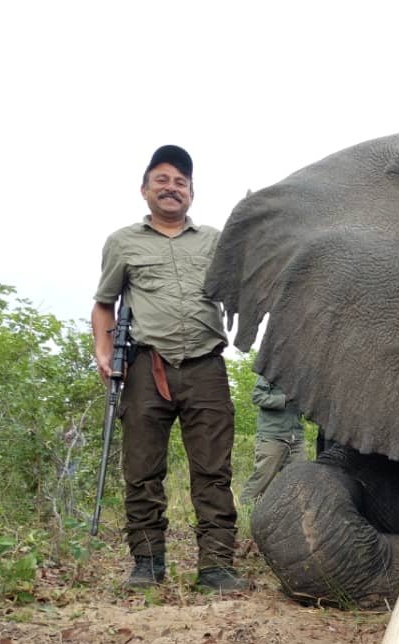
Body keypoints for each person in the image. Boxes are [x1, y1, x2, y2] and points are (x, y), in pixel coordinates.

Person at [92, 145, 246, 592]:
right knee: (142, 470)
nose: (171, 188)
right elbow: (104, 305)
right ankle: (147, 564)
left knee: (214, 471)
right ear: (145, 190)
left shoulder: (215, 241)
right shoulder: (122, 242)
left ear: (191, 194)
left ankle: (216, 567)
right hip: (145, 368)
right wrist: (105, 355)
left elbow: (239, 288)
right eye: (161, 180)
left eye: (180, 182)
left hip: (205, 368)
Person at [241, 374, 306, 506]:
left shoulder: (303, 376)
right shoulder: (271, 371)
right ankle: (244, 515)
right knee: (261, 481)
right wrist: (285, 399)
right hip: (272, 436)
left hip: (296, 438)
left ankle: (295, 520)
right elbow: (257, 397)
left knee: (301, 481)